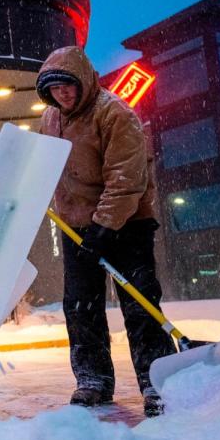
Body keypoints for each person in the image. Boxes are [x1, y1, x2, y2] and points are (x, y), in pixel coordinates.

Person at [36, 46, 177, 418]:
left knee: (139, 303)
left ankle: (156, 382)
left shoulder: (114, 113)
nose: (63, 94)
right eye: (55, 89)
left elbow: (127, 180)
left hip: (127, 223)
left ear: (83, 80)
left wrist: (103, 228)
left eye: (68, 85)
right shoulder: (49, 119)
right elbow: (44, 166)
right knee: (80, 307)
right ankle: (93, 380)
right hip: (77, 227)